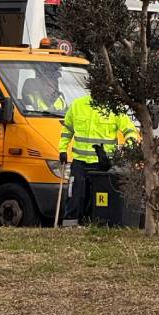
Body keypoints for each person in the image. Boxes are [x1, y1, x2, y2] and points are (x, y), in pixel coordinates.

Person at [58, 95, 137, 225]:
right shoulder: (77, 104)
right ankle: (69, 226)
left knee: (98, 197)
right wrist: (62, 149)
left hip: (102, 164)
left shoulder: (114, 108)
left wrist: (126, 150)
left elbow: (131, 132)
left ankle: (95, 223)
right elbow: (67, 129)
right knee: (74, 195)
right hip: (79, 161)